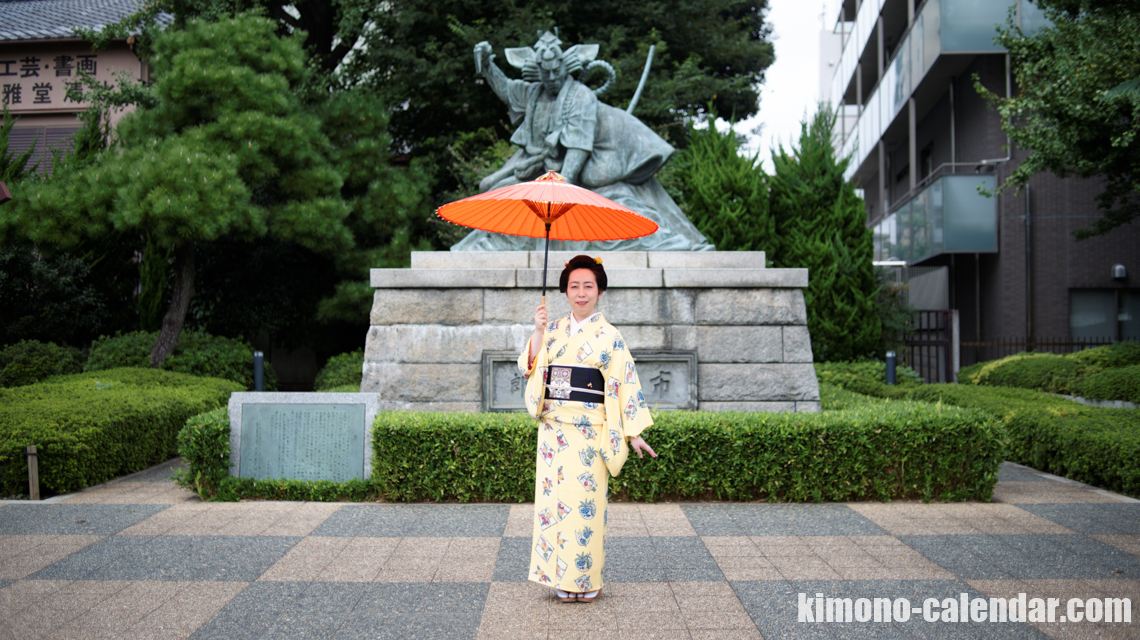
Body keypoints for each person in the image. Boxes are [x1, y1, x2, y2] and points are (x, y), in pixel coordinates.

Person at [517, 255, 658, 602]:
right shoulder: (551, 330)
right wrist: (537, 331)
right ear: (565, 291)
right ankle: (560, 580)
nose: (581, 293)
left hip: (591, 433)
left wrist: (633, 432)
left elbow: (624, 383)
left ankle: (586, 579)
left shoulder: (611, 337)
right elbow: (529, 367)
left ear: (600, 291)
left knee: (585, 509)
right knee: (553, 506)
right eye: (574, 286)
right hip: (554, 432)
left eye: (588, 286)